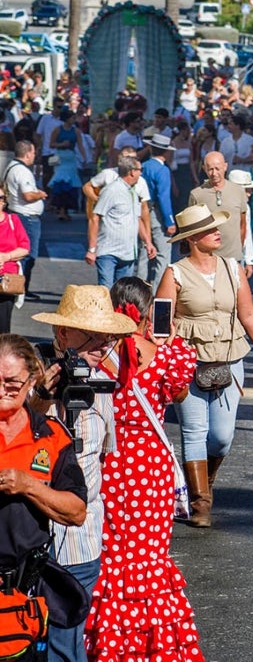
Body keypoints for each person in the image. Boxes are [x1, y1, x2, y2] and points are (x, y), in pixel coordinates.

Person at [83, 278, 204, 660]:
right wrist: (165, 340)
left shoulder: (100, 354)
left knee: (112, 551)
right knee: (149, 555)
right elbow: (179, 394)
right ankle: (154, 644)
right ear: (149, 311)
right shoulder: (166, 353)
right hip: (150, 467)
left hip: (111, 458)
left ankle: (109, 642)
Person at [155, 204, 253, 528]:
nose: (217, 232)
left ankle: (204, 483)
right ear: (193, 238)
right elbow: (160, 323)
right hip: (189, 363)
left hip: (230, 357)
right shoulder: (175, 273)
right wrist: (164, 357)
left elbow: (249, 314)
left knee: (222, 437)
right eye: (209, 228)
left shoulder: (232, 268)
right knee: (194, 431)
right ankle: (200, 503)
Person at [31, 287, 138, 662]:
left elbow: (104, 456)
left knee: (67, 643)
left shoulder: (102, 385)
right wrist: (42, 399)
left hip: (81, 537)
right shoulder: (27, 377)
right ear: (63, 334)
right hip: (28, 535)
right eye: (90, 334)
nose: (102, 343)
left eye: (106, 335)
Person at [0, 334, 88, 662]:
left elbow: (77, 511)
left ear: (32, 379)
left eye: (11, 383)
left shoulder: (51, 437)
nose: (1, 392)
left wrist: (29, 486)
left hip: (21, 601)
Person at [87, 156, 156, 289]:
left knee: (122, 293)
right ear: (131, 172)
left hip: (128, 253)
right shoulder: (111, 190)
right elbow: (95, 217)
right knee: (106, 292)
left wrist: (148, 242)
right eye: (140, 170)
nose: (141, 173)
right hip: (108, 252)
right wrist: (92, 249)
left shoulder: (133, 192)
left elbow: (137, 219)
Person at [188, 152, 249, 272]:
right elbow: (191, 230)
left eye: (217, 168)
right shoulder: (196, 194)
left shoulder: (238, 191)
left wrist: (238, 249)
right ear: (204, 169)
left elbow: (242, 224)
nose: (214, 173)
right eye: (210, 169)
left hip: (233, 257)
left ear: (225, 166)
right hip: (207, 257)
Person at [5, 140, 46, 299]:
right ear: (28, 153)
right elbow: (28, 195)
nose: (35, 155)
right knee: (27, 254)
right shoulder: (22, 171)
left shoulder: (12, 167)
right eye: (34, 152)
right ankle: (18, 287)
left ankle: (18, 286)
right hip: (27, 217)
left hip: (20, 214)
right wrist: (40, 194)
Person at [140, 134, 177, 290]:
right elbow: (164, 197)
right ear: (166, 152)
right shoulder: (162, 170)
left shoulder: (144, 166)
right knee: (163, 253)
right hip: (156, 211)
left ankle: (139, 288)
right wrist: (170, 221)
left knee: (144, 251)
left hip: (143, 209)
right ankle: (157, 291)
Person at [0, 191, 28, 332]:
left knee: (3, 326)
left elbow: (25, 248)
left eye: (1, 197)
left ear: (5, 201)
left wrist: (6, 256)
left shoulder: (13, 221)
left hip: (6, 280)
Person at [47, 108, 82, 221]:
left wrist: (85, 158)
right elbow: (51, 144)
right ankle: (60, 208)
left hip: (70, 158)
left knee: (70, 184)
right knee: (60, 182)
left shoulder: (76, 131)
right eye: (72, 118)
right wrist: (61, 144)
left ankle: (66, 209)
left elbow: (80, 145)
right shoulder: (58, 130)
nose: (74, 120)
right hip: (60, 158)